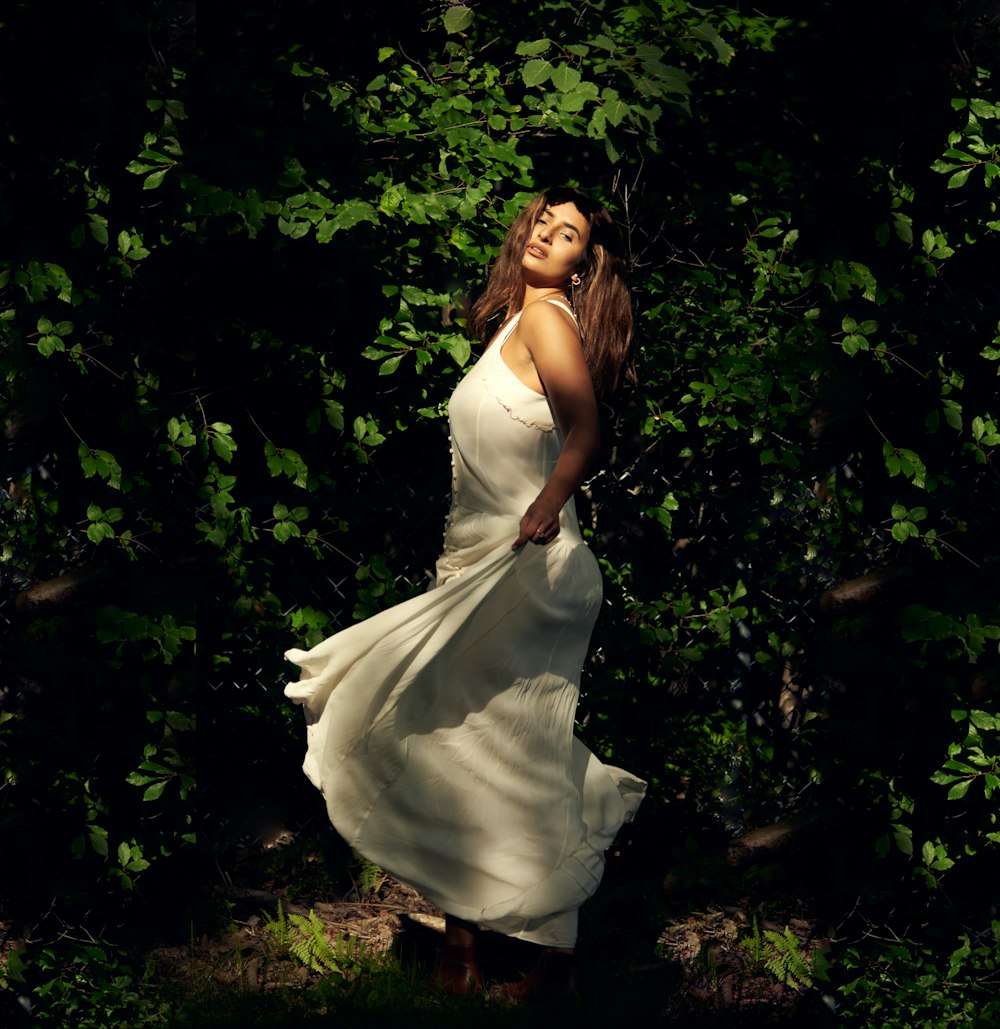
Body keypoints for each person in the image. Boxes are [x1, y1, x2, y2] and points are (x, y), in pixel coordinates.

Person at [284, 187, 646, 1002]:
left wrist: (549, 504)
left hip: (533, 563)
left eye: (569, 238)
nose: (549, 240)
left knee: (502, 749)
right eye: (545, 225)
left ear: (581, 268)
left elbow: (589, 429)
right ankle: (478, 949)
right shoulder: (513, 325)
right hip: (483, 564)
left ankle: (533, 953)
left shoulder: (551, 317)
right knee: (466, 747)